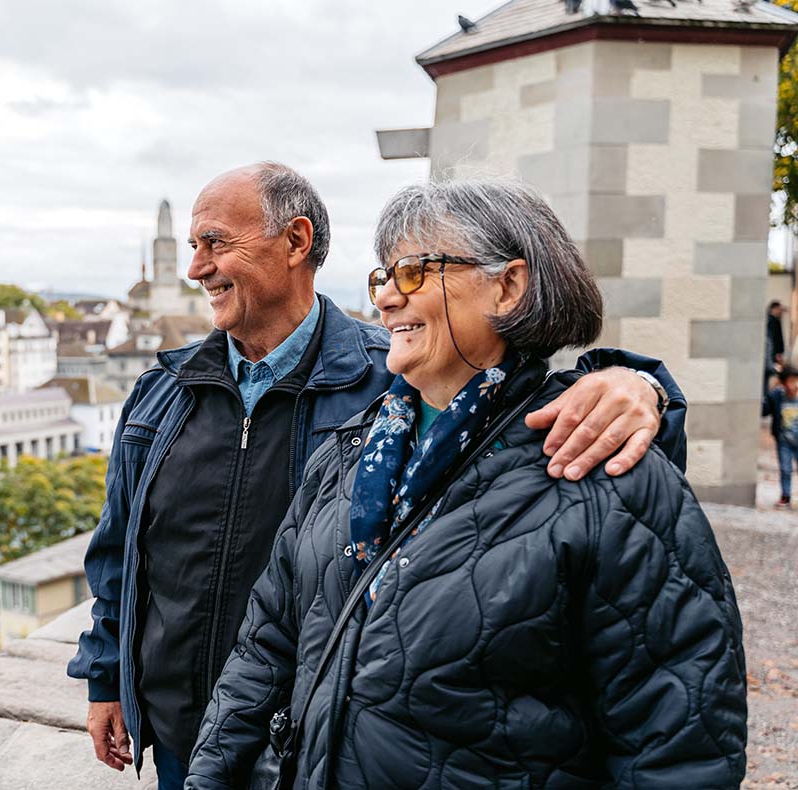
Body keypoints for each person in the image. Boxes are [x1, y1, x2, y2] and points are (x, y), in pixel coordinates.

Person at [67, 163, 686, 790]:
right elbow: (134, 561)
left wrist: (642, 385)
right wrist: (107, 677)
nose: (197, 267)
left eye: (217, 243)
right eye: (385, 276)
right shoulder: (174, 396)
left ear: (296, 243)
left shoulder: (388, 382)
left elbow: (665, 727)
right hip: (202, 738)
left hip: (302, 741)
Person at [763, 364, 798, 508]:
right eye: (791, 381)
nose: (795, 385)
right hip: (784, 441)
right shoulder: (777, 395)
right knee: (785, 469)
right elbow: (764, 411)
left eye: (797, 380)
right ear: (783, 383)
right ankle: (785, 496)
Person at [766, 300, 786, 394]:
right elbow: (773, 340)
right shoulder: (771, 321)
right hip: (773, 356)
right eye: (778, 309)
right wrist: (777, 354)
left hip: (774, 355)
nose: (780, 311)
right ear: (772, 309)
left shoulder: (775, 320)